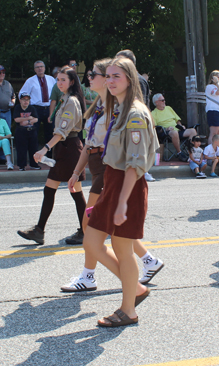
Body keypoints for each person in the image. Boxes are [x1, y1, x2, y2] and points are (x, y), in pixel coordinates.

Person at [61, 58, 163, 290]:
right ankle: (146, 264)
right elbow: (89, 142)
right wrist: (77, 171)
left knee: (95, 228)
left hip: (111, 171)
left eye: (95, 74)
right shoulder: (102, 106)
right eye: (103, 75)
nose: (92, 78)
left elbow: (132, 155)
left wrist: (122, 200)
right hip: (101, 168)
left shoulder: (123, 109)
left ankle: (93, 276)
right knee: (107, 231)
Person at [83, 57, 158, 327]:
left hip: (129, 187)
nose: (110, 81)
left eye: (117, 76)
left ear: (130, 79)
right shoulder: (118, 110)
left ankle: (129, 310)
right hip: (113, 184)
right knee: (91, 242)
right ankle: (135, 288)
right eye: (108, 76)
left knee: (122, 249)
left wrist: (123, 203)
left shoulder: (135, 113)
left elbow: (135, 165)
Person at [17, 66, 87, 245]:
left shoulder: (71, 101)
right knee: (49, 189)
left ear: (71, 82)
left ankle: (85, 230)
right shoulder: (64, 99)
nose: (59, 82)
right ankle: (39, 231)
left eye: (63, 79)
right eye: (58, 79)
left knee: (76, 192)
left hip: (70, 149)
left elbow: (62, 131)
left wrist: (44, 149)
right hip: (63, 148)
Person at [115, 49, 155, 182]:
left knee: (136, 150)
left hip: (136, 123)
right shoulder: (127, 79)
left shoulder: (138, 80)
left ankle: (142, 172)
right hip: (126, 121)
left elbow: (140, 105)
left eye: (120, 61)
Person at [19, 61, 56, 158]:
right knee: (34, 133)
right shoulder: (30, 81)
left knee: (50, 133)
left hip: (49, 108)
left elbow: (57, 93)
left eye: (41, 67)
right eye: (37, 67)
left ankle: (50, 156)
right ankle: (34, 157)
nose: (40, 69)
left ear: (44, 68)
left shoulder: (51, 79)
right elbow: (22, 94)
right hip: (36, 108)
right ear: (34, 69)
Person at [151, 93, 194, 161]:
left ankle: (192, 152)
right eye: (162, 100)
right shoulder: (153, 113)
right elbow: (156, 128)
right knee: (174, 133)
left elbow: (177, 120)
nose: (164, 101)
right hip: (167, 133)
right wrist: (166, 129)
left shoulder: (169, 108)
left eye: (164, 100)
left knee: (193, 131)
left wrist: (180, 125)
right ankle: (179, 153)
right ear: (156, 103)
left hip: (178, 130)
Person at [13, 93, 39, 171]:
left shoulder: (32, 108)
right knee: (21, 149)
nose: (26, 101)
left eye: (27, 100)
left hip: (31, 130)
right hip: (21, 131)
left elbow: (36, 119)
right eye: (24, 99)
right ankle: (21, 166)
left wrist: (27, 121)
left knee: (33, 148)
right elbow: (16, 119)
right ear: (20, 100)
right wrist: (29, 118)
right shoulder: (17, 108)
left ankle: (34, 164)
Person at [205, 70, 219, 144]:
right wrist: (217, 83)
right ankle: (210, 152)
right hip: (214, 111)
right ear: (213, 78)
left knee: (218, 134)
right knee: (213, 134)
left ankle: (215, 152)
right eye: (218, 77)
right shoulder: (209, 87)